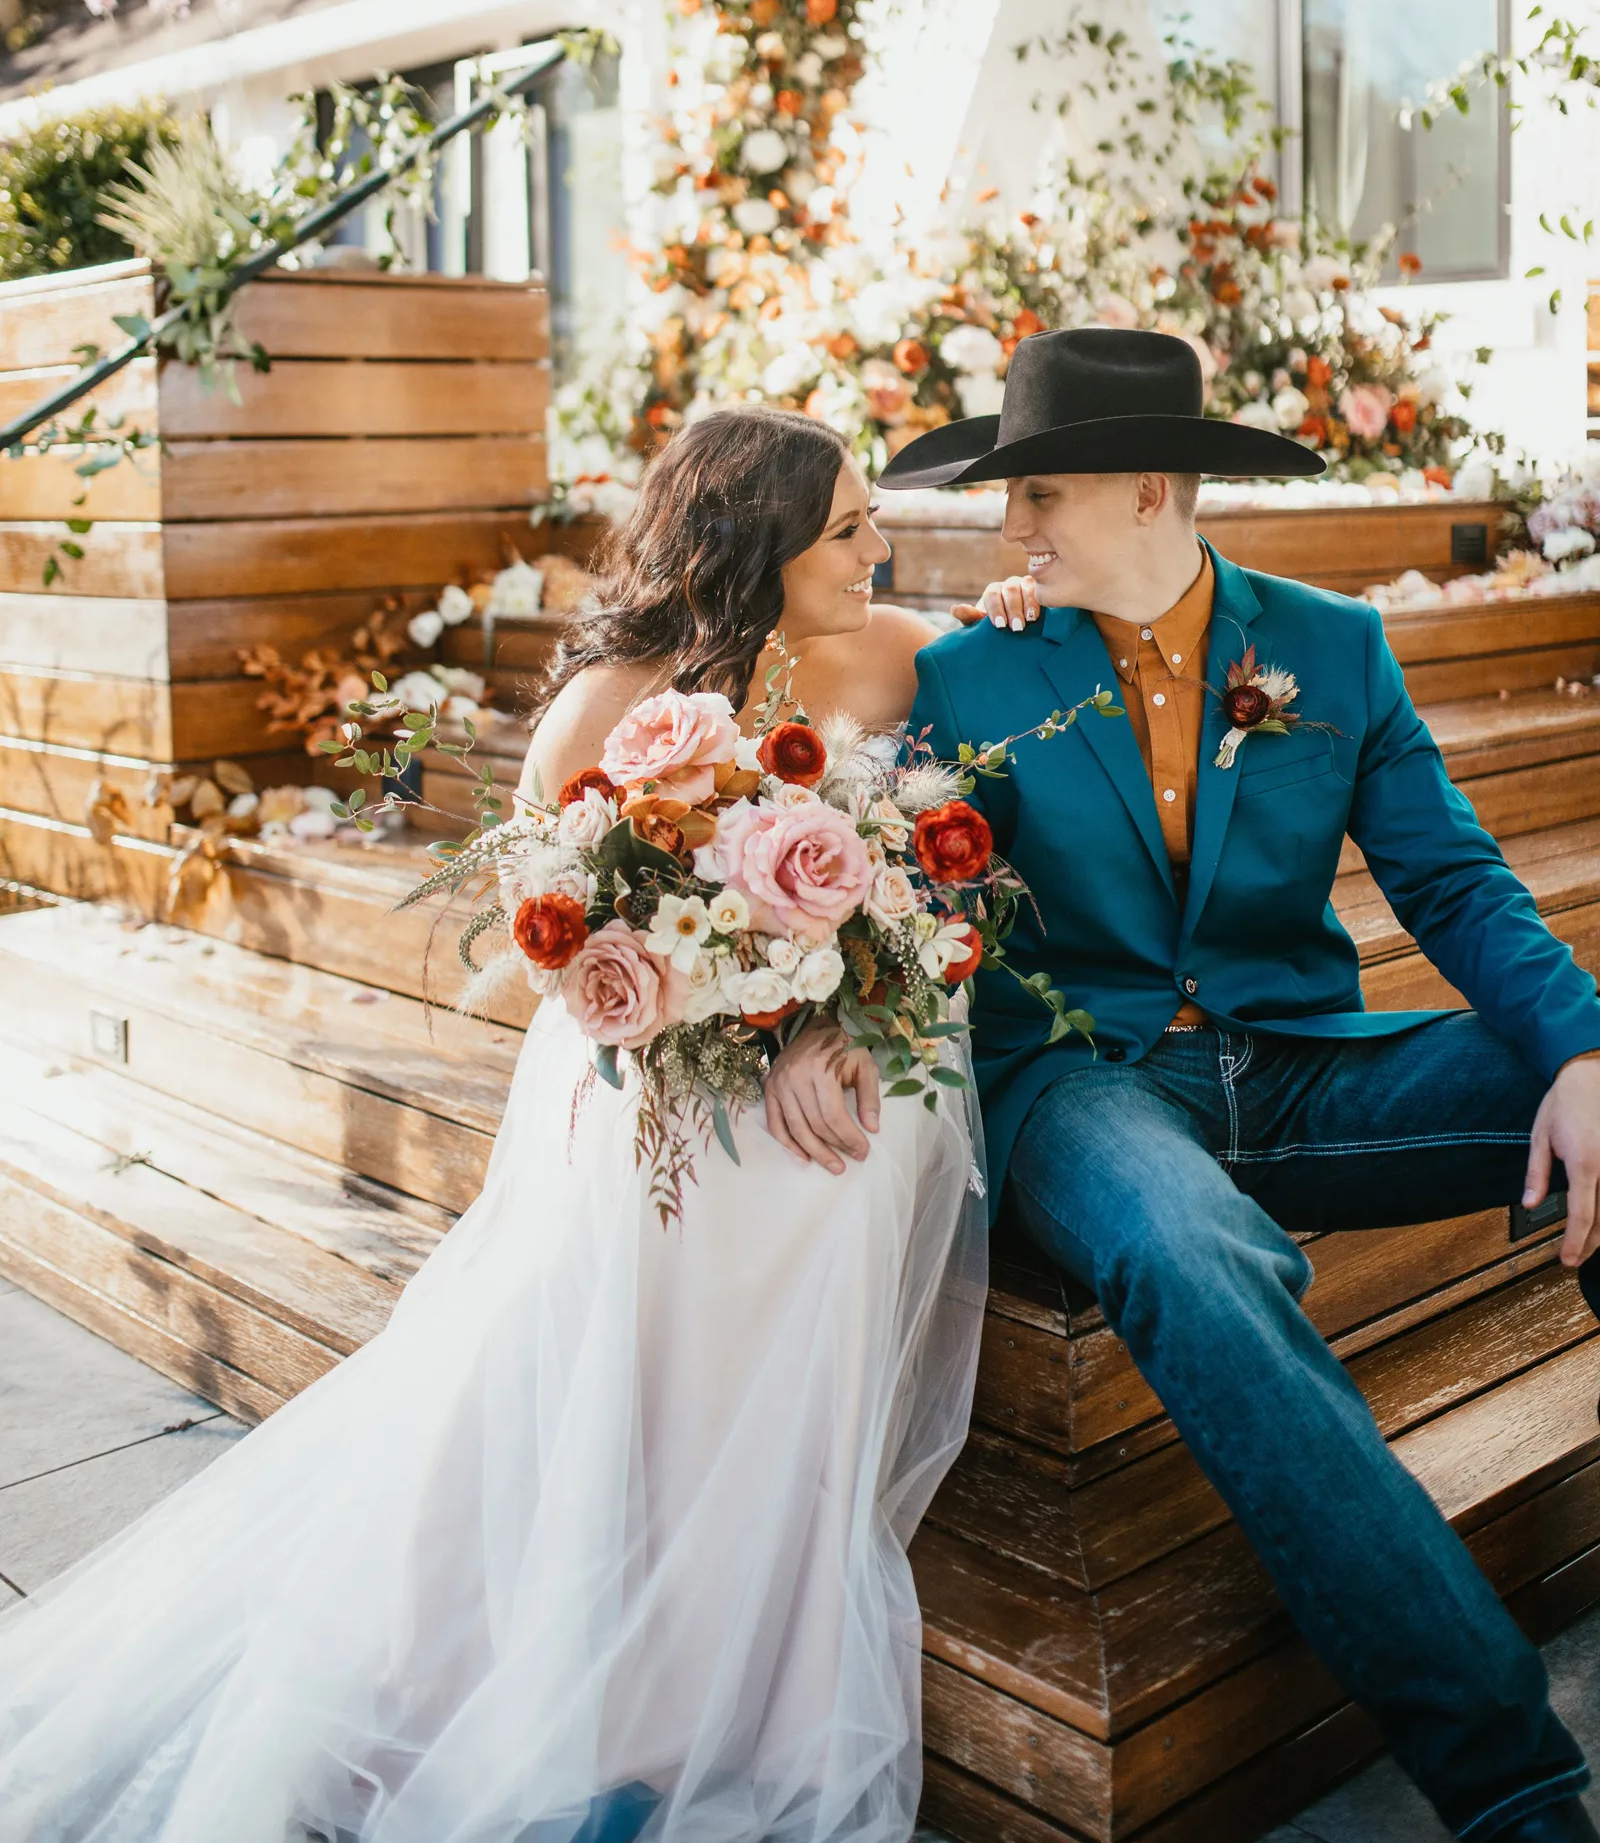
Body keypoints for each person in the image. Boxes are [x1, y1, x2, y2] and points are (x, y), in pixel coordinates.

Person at [0, 408, 986, 1843]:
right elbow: (552, 931)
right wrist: (701, 994)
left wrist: (820, 1003)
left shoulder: (892, 652)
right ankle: (569, 1659)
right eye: (847, 528)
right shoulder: (609, 704)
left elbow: (988, 678)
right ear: (755, 545)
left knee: (832, 1173)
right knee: (688, 1229)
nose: (877, 546)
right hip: (651, 1055)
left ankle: (723, 1645)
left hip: (834, 1032)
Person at [769, 325, 1600, 1843]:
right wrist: (843, 1029)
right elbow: (922, 908)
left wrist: (1582, 1053)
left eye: (1043, 497)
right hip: (1085, 1096)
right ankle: (1520, 1788)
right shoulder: (973, 673)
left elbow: (1456, 884)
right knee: (1195, 1252)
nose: (1011, 530)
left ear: (1153, 488)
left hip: (1302, 1069)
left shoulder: (1332, 646)